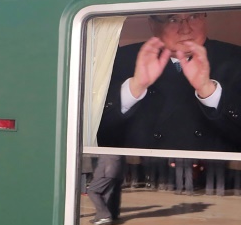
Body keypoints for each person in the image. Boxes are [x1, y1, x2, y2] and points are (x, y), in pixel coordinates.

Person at [98, 12, 241, 152]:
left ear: (204, 19)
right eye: (173, 19)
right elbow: (96, 134)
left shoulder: (235, 58)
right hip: (141, 167)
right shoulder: (119, 59)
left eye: (193, 17)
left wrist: (208, 91)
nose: (185, 29)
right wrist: (134, 88)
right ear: (153, 25)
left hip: (214, 168)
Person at [87, 154, 124, 225]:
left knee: (93, 191)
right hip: (119, 168)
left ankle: (104, 216)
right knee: (111, 191)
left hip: (107, 167)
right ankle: (113, 215)